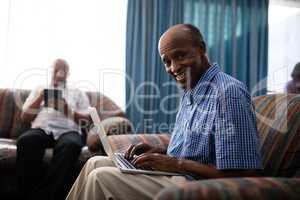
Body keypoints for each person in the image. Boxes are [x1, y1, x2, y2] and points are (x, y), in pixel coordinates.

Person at [66, 24, 262, 200]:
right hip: (179, 175)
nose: (174, 67)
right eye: (167, 61)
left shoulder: (228, 93)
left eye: (180, 55)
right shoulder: (190, 92)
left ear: (201, 49)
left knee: (100, 178)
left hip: (198, 186)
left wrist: (176, 164)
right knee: (95, 163)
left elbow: (244, 175)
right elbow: (197, 153)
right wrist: (159, 153)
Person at [17, 59, 92, 200]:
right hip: (42, 129)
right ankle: (27, 194)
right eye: (56, 69)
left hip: (68, 131)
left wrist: (67, 110)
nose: (59, 73)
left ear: (68, 73)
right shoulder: (39, 89)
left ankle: (46, 195)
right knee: (25, 141)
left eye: (63, 70)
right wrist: (40, 97)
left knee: (72, 145)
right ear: (50, 70)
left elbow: (86, 120)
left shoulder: (77, 92)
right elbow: (24, 118)